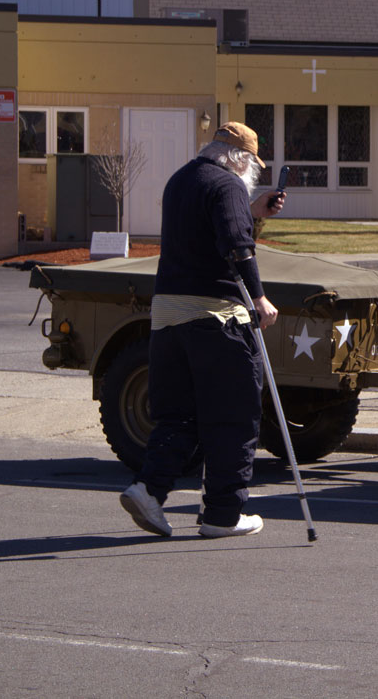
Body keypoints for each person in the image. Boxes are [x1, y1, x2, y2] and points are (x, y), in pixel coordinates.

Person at [119, 121, 285, 538]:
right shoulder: (228, 185)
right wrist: (260, 297)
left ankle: (148, 491)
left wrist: (253, 211)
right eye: (251, 163)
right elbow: (236, 244)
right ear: (237, 158)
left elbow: (208, 228)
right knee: (233, 414)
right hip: (216, 315)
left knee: (179, 415)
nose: (252, 172)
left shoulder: (182, 180)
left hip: (168, 315)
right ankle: (223, 515)